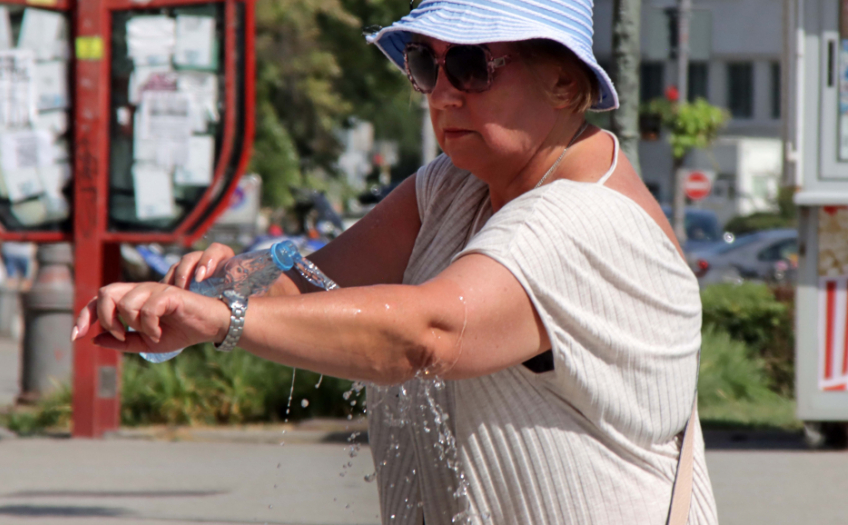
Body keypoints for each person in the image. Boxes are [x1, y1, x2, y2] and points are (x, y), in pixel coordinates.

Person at [73, 1, 718, 523]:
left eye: (470, 65)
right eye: (423, 63)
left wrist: (222, 319)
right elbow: (313, 283)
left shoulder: (581, 221)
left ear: (564, 82)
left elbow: (423, 334)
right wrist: (226, 282)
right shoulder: (453, 186)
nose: (441, 93)